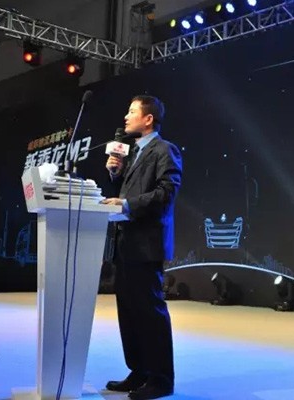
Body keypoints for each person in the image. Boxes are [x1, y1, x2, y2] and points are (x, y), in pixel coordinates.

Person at [101, 95, 182, 400]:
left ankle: (161, 379)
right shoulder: (132, 153)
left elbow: (165, 194)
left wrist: (126, 204)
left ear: (148, 119)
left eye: (132, 111)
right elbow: (126, 192)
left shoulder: (165, 150)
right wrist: (115, 173)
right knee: (129, 312)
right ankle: (139, 370)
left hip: (147, 245)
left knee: (150, 312)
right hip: (126, 244)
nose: (126, 116)